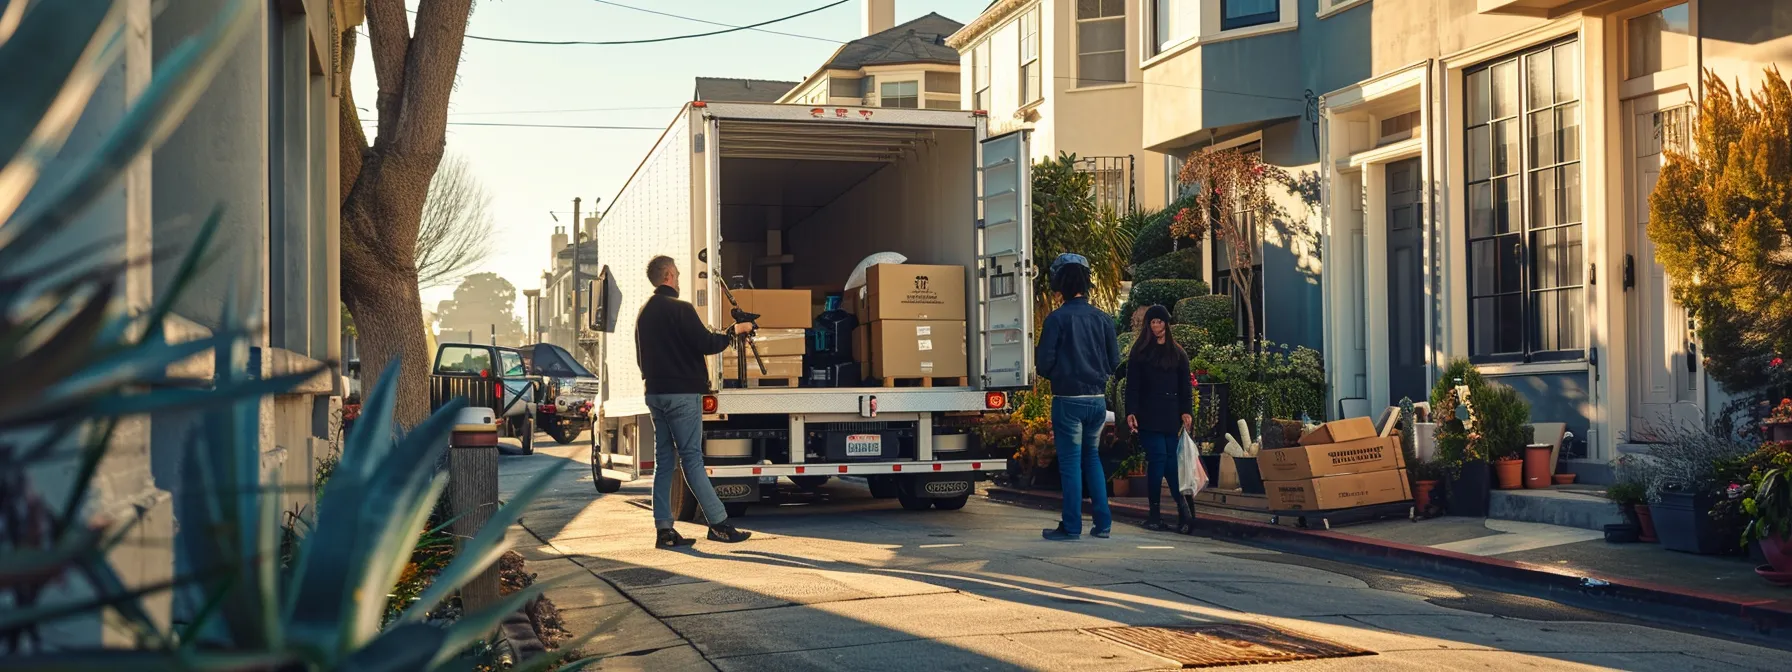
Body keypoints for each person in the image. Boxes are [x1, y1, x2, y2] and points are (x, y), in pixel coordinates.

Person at [636, 255, 755, 547]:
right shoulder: (681, 309)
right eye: (675, 274)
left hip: (655, 393)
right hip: (682, 395)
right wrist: (735, 331)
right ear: (667, 276)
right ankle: (719, 524)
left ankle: (664, 530)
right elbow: (707, 344)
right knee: (692, 459)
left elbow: (641, 358)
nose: (678, 278)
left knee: (664, 462)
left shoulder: (644, 312)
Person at [1034, 253, 1121, 541]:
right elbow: (1114, 361)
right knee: (1092, 459)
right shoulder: (1103, 318)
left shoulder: (1056, 319)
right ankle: (1103, 524)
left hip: (1067, 399)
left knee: (1070, 464)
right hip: (1097, 400)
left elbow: (1043, 363)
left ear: (1061, 284)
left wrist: (1060, 373)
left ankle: (1071, 527)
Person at [1124, 304, 1196, 534]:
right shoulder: (1140, 352)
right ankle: (1169, 511)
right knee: (1158, 459)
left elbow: (1185, 385)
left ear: (1167, 324)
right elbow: (1132, 385)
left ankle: (1181, 509)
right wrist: (1131, 412)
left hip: (1170, 413)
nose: (1156, 327)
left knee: (1169, 462)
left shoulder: (1177, 353)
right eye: (1152, 322)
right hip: (1148, 412)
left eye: (1160, 322)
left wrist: (1187, 411)